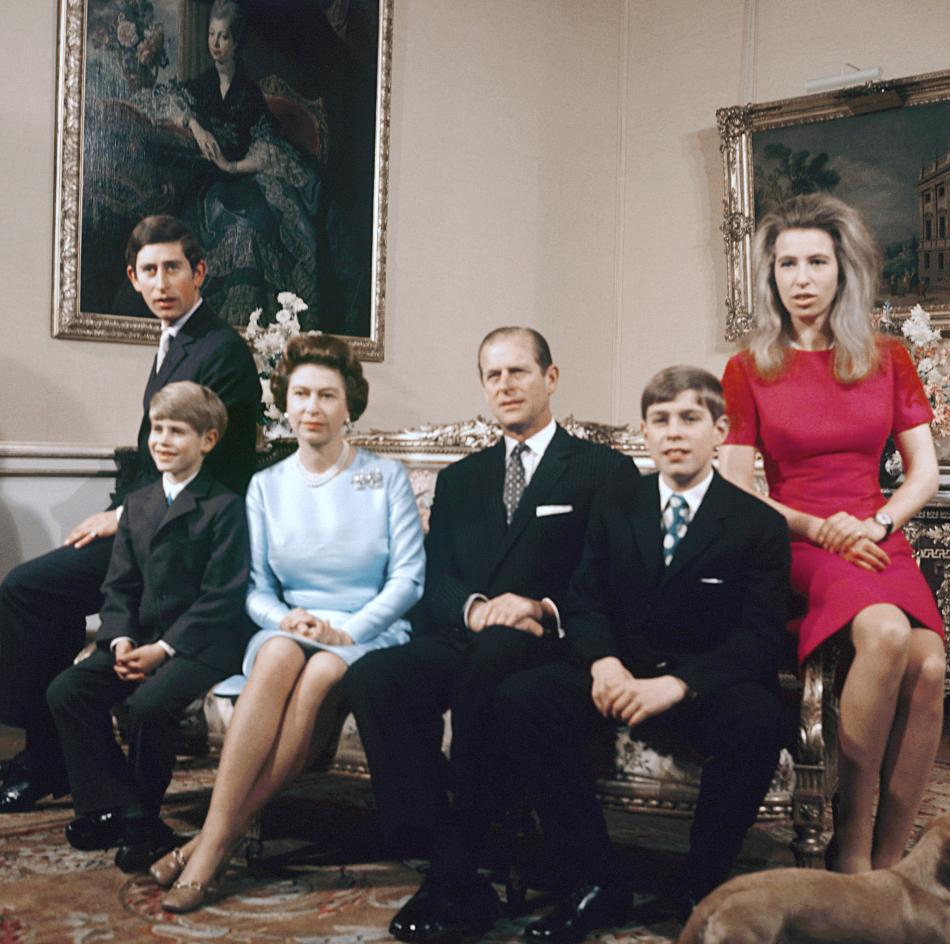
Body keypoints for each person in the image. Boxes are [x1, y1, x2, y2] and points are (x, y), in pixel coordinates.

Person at [343, 327, 639, 943]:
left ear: (550, 379)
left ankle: (456, 869)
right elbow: (433, 577)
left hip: (552, 639)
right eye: (492, 375)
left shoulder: (602, 471)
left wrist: (542, 605)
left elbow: (617, 577)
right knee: (375, 675)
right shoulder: (462, 479)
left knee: (498, 663)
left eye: (518, 372)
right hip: (472, 635)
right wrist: (475, 609)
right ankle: (445, 850)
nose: (505, 386)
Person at [494, 367, 790, 942]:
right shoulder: (616, 503)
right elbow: (583, 601)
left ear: (719, 431)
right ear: (644, 432)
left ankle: (699, 888)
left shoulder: (757, 524)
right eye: (661, 420)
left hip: (702, 685)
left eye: (689, 419)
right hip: (619, 673)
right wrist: (603, 664)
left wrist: (677, 685)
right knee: (522, 698)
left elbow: (759, 637)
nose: (674, 432)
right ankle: (594, 880)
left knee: (759, 719)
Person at [151, 335, 425, 913]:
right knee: (277, 654)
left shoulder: (386, 477)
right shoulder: (266, 485)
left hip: (367, 631)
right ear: (284, 401)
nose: (312, 407)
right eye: (300, 393)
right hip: (292, 624)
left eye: (327, 394)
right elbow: (256, 591)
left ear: (350, 403)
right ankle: (219, 837)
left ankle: (211, 842)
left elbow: (408, 581)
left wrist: (347, 631)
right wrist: (287, 619)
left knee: (323, 670)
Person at [0, 214, 260, 820]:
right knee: (32, 591)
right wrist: (122, 510)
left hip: (186, 537)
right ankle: (53, 753)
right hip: (149, 519)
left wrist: (124, 517)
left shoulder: (221, 350)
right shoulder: (176, 339)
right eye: (150, 271)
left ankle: (48, 760)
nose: (162, 282)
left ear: (200, 273)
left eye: (174, 268)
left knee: (28, 589)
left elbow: (221, 468)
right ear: (133, 279)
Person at [719, 193, 945, 875]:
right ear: (771, 275)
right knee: (884, 633)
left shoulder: (888, 356)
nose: (802, 277)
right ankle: (849, 853)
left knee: (931, 666)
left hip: (876, 536)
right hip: (794, 540)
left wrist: (874, 522)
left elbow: (924, 472)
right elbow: (735, 491)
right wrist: (822, 528)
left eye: (817, 261)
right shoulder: (748, 366)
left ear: (842, 271)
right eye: (787, 263)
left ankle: (886, 865)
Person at [46, 382, 253, 873]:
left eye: (177, 431)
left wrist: (163, 649)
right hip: (136, 638)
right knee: (66, 690)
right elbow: (118, 588)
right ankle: (118, 807)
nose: (161, 440)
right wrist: (119, 639)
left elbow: (223, 598)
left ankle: (138, 819)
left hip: (201, 643)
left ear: (208, 440)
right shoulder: (137, 506)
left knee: (148, 705)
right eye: (157, 429)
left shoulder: (225, 508)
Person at [134, 0, 334, 328]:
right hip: (207, 184)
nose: (215, 44)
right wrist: (195, 127)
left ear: (236, 42)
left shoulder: (249, 94)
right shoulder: (201, 86)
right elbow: (161, 101)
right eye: (211, 34)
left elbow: (267, 146)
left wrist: (231, 166)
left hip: (242, 179)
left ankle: (247, 323)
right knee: (218, 227)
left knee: (252, 226)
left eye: (223, 36)